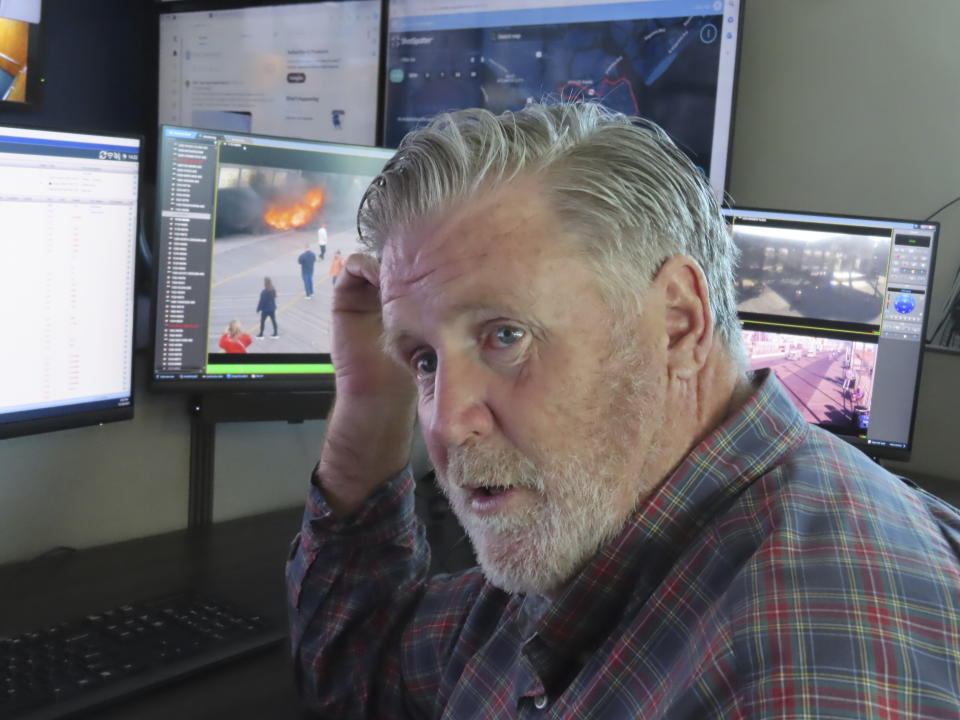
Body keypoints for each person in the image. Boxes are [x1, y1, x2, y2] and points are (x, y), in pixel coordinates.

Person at [287, 103, 960, 718]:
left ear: (677, 322)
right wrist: (373, 401)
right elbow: (362, 672)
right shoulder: (597, 521)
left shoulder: (804, 671)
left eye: (505, 336)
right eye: (426, 359)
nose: (444, 422)